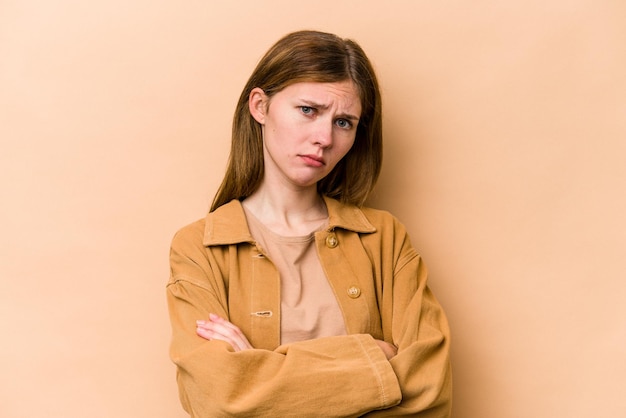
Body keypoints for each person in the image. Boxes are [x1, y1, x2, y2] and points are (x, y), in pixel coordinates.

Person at [167, 30, 452, 417]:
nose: (324, 137)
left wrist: (257, 370)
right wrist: (375, 358)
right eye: (308, 110)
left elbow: (427, 392)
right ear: (260, 106)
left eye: (345, 122)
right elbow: (217, 397)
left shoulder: (384, 239)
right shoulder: (199, 246)